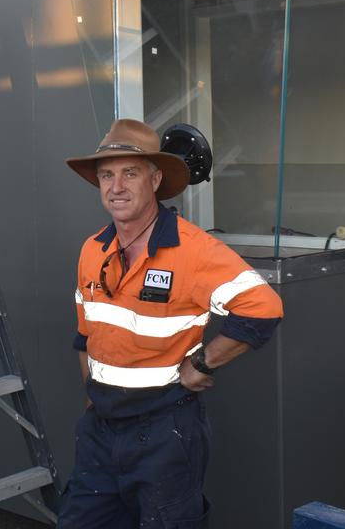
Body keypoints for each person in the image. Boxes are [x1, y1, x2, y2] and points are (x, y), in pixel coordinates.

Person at [57, 119, 284, 528]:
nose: (116, 186)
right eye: (107, 175)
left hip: (163, 431)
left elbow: (263, 307)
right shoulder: (93, 249)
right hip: (100, 431)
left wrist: (202, 364)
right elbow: (84, 335)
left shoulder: (193, 250)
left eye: (130, 173)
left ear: (156, 179)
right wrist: (92, 400)